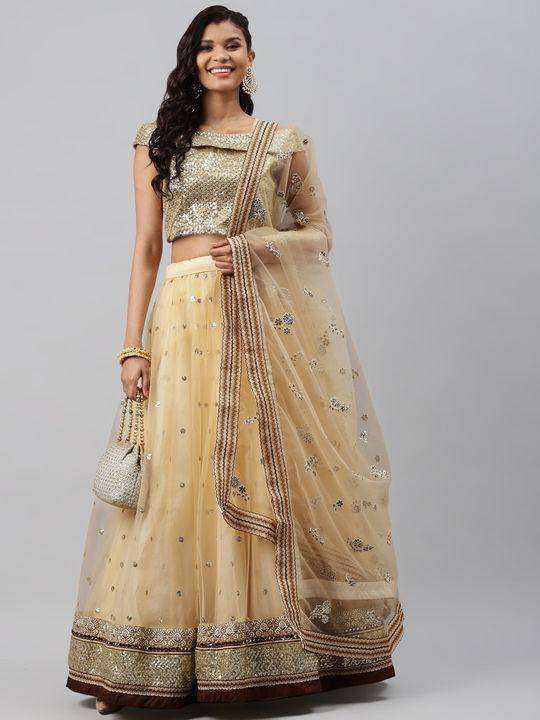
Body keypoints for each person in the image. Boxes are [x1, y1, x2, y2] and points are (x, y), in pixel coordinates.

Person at [66, 4, 405, 714]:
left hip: (256, 324)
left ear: (251, 57)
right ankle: (146, 665)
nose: (220, 56)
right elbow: (147, 250)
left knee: (256, 465)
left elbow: (319, 233)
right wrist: (131, 346)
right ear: (191, 59)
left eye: (233, 45)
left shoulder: (282, 142)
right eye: (207, 46)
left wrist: (254, 246)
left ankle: (258, 656)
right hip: (180, 320)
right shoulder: (159, 139)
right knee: (171, 477)